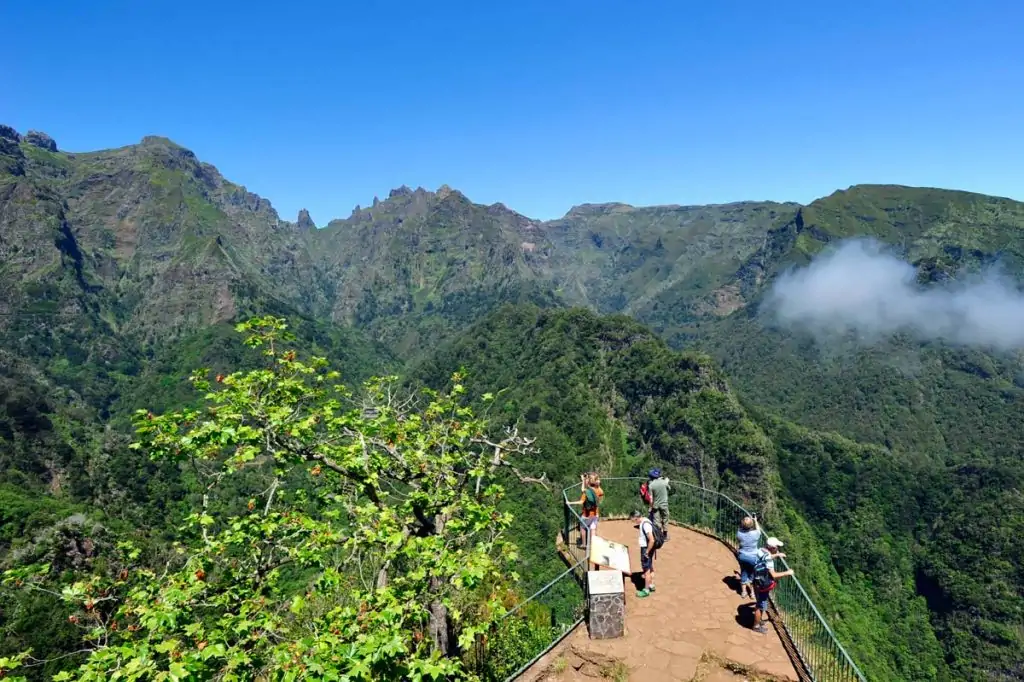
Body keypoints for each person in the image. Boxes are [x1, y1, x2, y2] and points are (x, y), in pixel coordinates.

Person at [751, 537, 794, 634]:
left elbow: (766, 557)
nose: (778, 548)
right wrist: (787, 572)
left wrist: (777, 555)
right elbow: (773, 575)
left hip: (756, 580)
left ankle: (758, 621)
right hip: (763, 584)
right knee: (760, 605)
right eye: (777, 547)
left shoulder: (760, 550)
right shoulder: (769, 561)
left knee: (759, 601)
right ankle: (756, 626)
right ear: (772, 548)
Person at [567, 473, 604, 548]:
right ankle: (593, 545)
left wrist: (569, 502)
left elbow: (581, 502)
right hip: (596, 513)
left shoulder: (586, 492)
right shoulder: (600, 490)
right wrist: (584, 480)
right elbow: (599, 497)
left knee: (583, 527)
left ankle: (584, 544)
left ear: (589, 482)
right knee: (593, 529)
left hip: (587, 514)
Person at [630, 510, 657, 598]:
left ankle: (646, 590)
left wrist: (646, 552)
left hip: (646, 548)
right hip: (649, 547)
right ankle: (651, 585)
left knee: (646, 569)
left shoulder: (645, 525)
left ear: (636, 517)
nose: (634, 522)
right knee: (649, 566)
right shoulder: (646, 520)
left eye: (633, 520)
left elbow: (651, 539)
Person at [735, 515, 763, 599]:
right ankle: (752, 593)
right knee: (752, 576)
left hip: (742, 556)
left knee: (743, 572)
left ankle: (743, 592)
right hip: (753, 557)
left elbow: (741, 529)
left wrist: (747, 523)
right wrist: (755, 521)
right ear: (751, 526)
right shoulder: (755, 534)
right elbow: (759, 530)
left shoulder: (739, 533)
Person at [647, 468, 670, 541]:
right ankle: (665, 535)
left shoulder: (651, 485)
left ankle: (658, 536)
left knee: (656, 521)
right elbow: (669, 488)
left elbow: (651, 498)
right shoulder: (664, 482)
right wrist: (667, 481)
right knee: (665, 519)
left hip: (655, 505)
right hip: (664, 504)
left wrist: (650, 507)